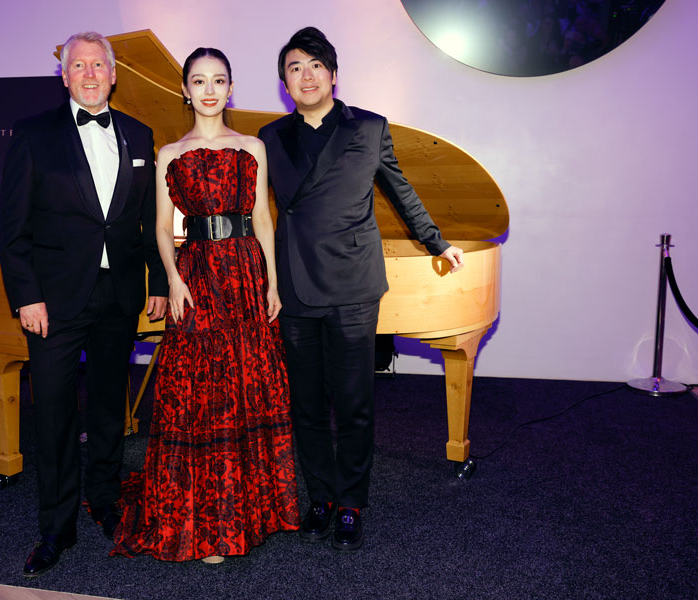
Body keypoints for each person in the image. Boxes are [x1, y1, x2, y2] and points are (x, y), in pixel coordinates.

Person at [258, 27, 465, 552]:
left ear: (333, 73)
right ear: (285, 82)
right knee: (304, 403)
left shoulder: (369, 128)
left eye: (314, 65)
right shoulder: (269, 137)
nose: (305, 75)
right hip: (296, 288)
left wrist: (436, 243)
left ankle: (351, 502)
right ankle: (320, 497)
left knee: (353, 403)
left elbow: (400, 189)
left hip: (352, 285)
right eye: (294, 68)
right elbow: (255, 211)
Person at [111, 47, 299, 562]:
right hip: (195, 276)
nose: (209, 89)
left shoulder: (253, 147)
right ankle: (209, 523)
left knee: (247, 386)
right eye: (199, 80)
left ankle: (251, 512)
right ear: (185, 90)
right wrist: (171, 278)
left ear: (231, 88)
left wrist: (274, 281)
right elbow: (161, 230)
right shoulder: (168, 154)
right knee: (203, 394)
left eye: (219, 80)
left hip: (244, 273)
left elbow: (263, 218)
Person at [0, 31, 168, 577]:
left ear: (114, 75)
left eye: (99, 64)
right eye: (79, 65)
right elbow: (13, 229)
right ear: (64, 75)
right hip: (54, 301)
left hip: (118, 295)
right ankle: (56, 524)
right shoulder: (31, 135)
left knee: (110, 409)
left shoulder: (141, 137)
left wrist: (160, 283)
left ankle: (107, 501)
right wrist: (27, 296)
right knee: (53, 413)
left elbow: (147, 226)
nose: (90, 73)